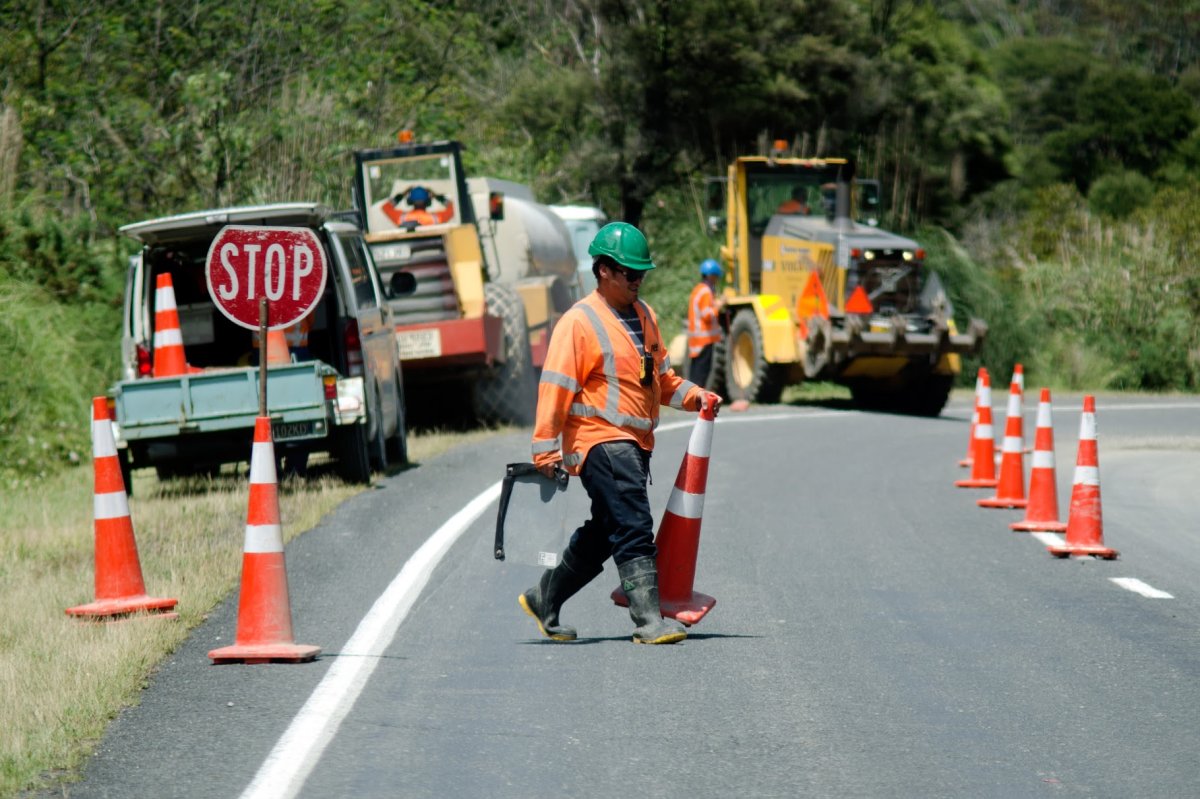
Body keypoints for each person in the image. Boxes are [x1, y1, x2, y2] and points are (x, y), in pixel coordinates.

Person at [521, 221, 721, 645]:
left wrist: (697, 397)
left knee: (606, 530)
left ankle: (545, 596)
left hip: (634, 443)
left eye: (641, 274)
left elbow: (662, 380)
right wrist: (545, 451)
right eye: (630, 274)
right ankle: (648, 620)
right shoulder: (578, 323)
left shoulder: (644, 316)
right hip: (598, 441)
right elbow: (554, 387)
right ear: (604, 271)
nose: (637, 281)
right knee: (633, 522)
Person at [687, 258, 726, 388]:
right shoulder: (705, 292)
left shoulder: (698, 289)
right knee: (700, 376)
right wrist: (719, 306)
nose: (716, 280)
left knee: (695, 374)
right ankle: (697, 404)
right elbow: (707, 315)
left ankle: (693, 402)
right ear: (710, 276)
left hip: (697, 340)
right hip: (704, 340)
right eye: (715, 277)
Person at [381, 185, 455, 227]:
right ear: (428, 201)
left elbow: (385, 207)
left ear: (410, 201)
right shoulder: (437, 218)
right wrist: (436, 196)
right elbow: (454, 208)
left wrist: (402, 195)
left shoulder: (401, 218)